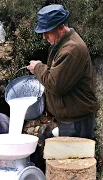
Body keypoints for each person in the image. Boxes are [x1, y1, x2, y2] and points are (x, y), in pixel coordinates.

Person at [27, 4, 99, 145]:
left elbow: (55, 84)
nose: (44, 36)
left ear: (61, 27)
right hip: (71, 119)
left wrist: (38, 68)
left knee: (74, 163)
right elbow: (59, 73)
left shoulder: (71, 49)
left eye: (47, 31)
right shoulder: (63, 44)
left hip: (77, 122)